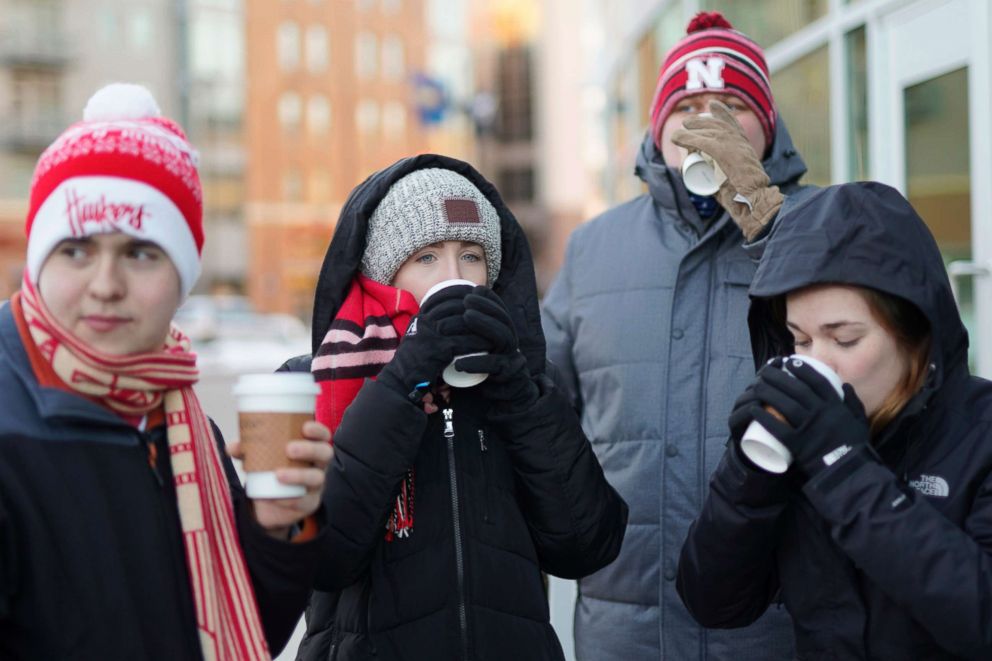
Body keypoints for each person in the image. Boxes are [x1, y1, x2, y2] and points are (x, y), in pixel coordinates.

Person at [0, 83, 332, 660]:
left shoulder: (175, 411)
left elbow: (241, 628)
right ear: (38, 262)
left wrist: (279, 528)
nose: (106, 285)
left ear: (182, 279)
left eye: (140, 253)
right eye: (76, 250)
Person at [282, 154, 628, 660]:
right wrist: (404, 380)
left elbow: (587, 544)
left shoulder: (527, 382)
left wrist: (519, 394)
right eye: (426, 258)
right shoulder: (313, 381)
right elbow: (322, 560)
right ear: (383, 274)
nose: (454, 275)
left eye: (471, 255)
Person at [540, 11, 805, 659]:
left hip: (776, 623)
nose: (708, 124)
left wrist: (759, 211)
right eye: (688, 106)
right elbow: (540, 408)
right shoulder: (594, 247)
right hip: (624, 626)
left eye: (732, 105)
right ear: (660, 131)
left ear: (766, 126)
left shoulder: (817, 228)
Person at [677, 181, 992, 659]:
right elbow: (714, 602)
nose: (818, 362)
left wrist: (844, 467)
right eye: (799, 341)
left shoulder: (980, 431)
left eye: (843, 339)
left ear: (916, 336)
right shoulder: (798, 441)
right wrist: (746, 478)